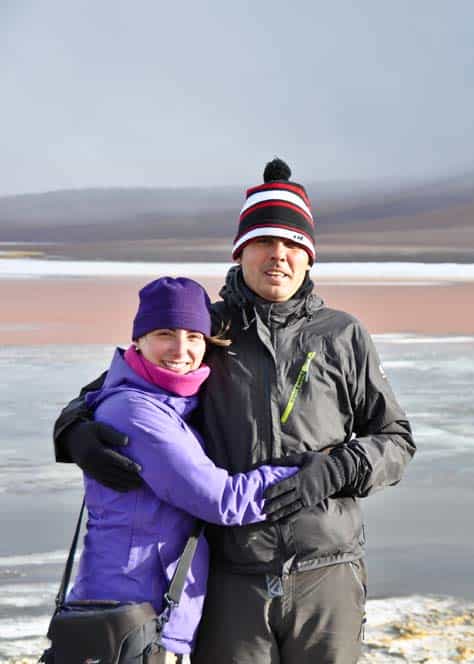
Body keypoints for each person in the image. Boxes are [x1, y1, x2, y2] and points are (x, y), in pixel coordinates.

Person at [53, 158, 416, 663]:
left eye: (292, 245)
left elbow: (396, 439)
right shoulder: (208, 329)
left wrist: (336, 470)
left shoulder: (342, 335)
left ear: (309, 258)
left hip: (327, 570)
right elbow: (118, 385)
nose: (278, 256)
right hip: (231, 578)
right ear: (242, 250)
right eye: (265, 242)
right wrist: (74, 431)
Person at [68, 276, 301, 661]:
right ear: (138, 341)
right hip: (125, 615)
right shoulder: (136, 412)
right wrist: (309, 472)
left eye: (194, 336)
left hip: (148, 617)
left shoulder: (173, 404)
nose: (181, 349)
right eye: (165, 333)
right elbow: (220, 500)